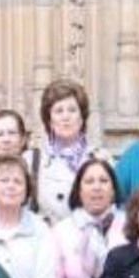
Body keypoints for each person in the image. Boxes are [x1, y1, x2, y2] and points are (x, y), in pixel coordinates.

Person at [50, 159, 127, 278]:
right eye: (89, 181)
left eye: (103, 181)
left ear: (113, 189)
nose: (97, 187)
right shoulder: (61, 231)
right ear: (79, 190)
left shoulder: (130, 227)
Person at [27, 79, 104, 224]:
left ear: (82, 117)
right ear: (49, 120)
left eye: (72, 110)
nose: (65, 117)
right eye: (58, 111)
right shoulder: (32, 161)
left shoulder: (100, 158)